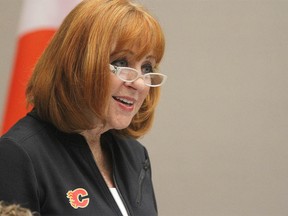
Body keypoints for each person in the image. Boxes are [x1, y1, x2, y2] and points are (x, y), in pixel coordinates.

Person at [0, 0, 166, 215]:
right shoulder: (18, 155)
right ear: (77, 65)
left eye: (146, 67)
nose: (140, 83)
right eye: (121, 63)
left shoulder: (134, 154)